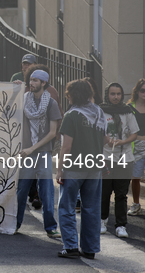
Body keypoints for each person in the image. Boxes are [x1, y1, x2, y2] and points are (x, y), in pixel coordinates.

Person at [56, 79, 107, 259]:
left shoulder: (72, 115)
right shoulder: (99, 113)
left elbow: (66, 147)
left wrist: (60, 169)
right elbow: (105, 140)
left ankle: (70, 246)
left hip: (74, 166)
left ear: (73, 95)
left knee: (66, 206)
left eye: (68, 93)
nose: (67, 96)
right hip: (94, 167)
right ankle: (90, 248)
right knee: (92, 208)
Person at [16, 70, 62, 236]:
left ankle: (50, 227)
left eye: (35, 80)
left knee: (47, 191)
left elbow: (52, 133)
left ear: (44, 83)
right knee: (21, 190)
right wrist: (15, 89)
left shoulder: (51, 104)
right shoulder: (24, 99)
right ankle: (15, 224)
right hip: (26, 153)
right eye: (30, 80)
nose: (31, 83)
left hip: (42, 152)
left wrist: (32, 148)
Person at [99, 83, 139, 238]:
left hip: (124, 157)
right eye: (112, 94)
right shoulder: (101, 111)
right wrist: (105, 139)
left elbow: (134, 133)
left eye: (118, 94)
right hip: (106, 156)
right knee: (104, 191)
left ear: (122, 95)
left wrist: (123, 141)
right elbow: (97, 131)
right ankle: (102, 220)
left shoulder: (127, 111)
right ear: (107, 95)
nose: (115, 97)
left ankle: (121, 225)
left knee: (121, 193)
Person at [128, 79, 145, 216]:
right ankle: (136, 204)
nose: (144, 93)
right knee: (136, 176)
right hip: (136, 146)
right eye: (142, 90)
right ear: (137, 91)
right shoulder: (129, 107)